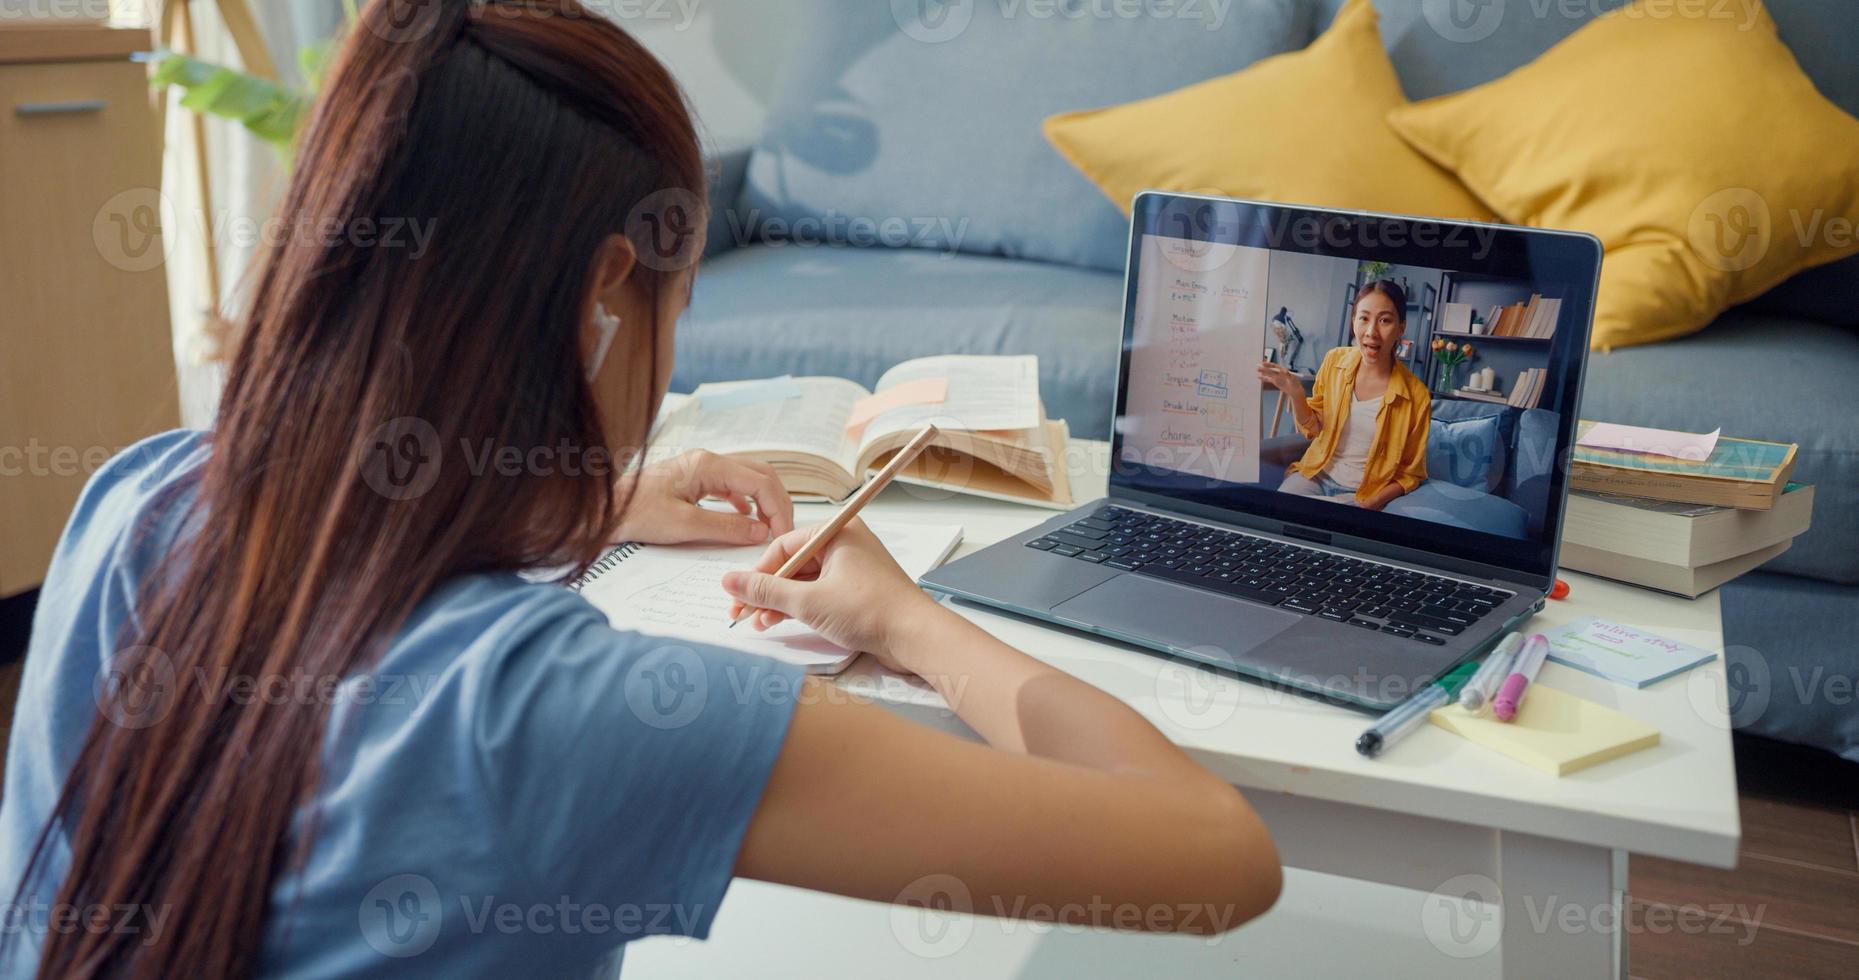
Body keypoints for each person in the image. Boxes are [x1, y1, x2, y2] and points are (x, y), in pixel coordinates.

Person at [0, 1, 1280, 974]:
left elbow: (354, 523)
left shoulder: (133, 500)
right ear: (606, 298)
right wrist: (907, 621)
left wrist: (591, 500)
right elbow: (1213, 853)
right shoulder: (556, 710)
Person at [1257, 280, 1431, 511]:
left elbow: (1411, 473)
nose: (1371, 332)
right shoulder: (1334, 360)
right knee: (1276, 513)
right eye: (1364, 318)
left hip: (1362, 492)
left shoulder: (1417, 395)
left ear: (1400, 328)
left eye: (1385, 321)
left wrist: (1372, 503)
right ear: (1353, 321)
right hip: (1316, 474)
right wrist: (1296, 392)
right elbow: (1314, 429)